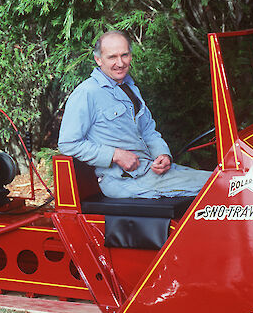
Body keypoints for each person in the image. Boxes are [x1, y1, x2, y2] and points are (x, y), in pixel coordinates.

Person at [58, 30, 212, 199]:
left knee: (224, 180)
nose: (120, 63)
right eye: (112, 57)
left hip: (151, 173)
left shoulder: (129, 87)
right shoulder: (87, 93)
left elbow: (147, 131)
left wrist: (162, 154)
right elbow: (68, 144)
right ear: (98, 59)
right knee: (220, 185)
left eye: (125, 55)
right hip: (123, 181)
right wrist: (115, 155)